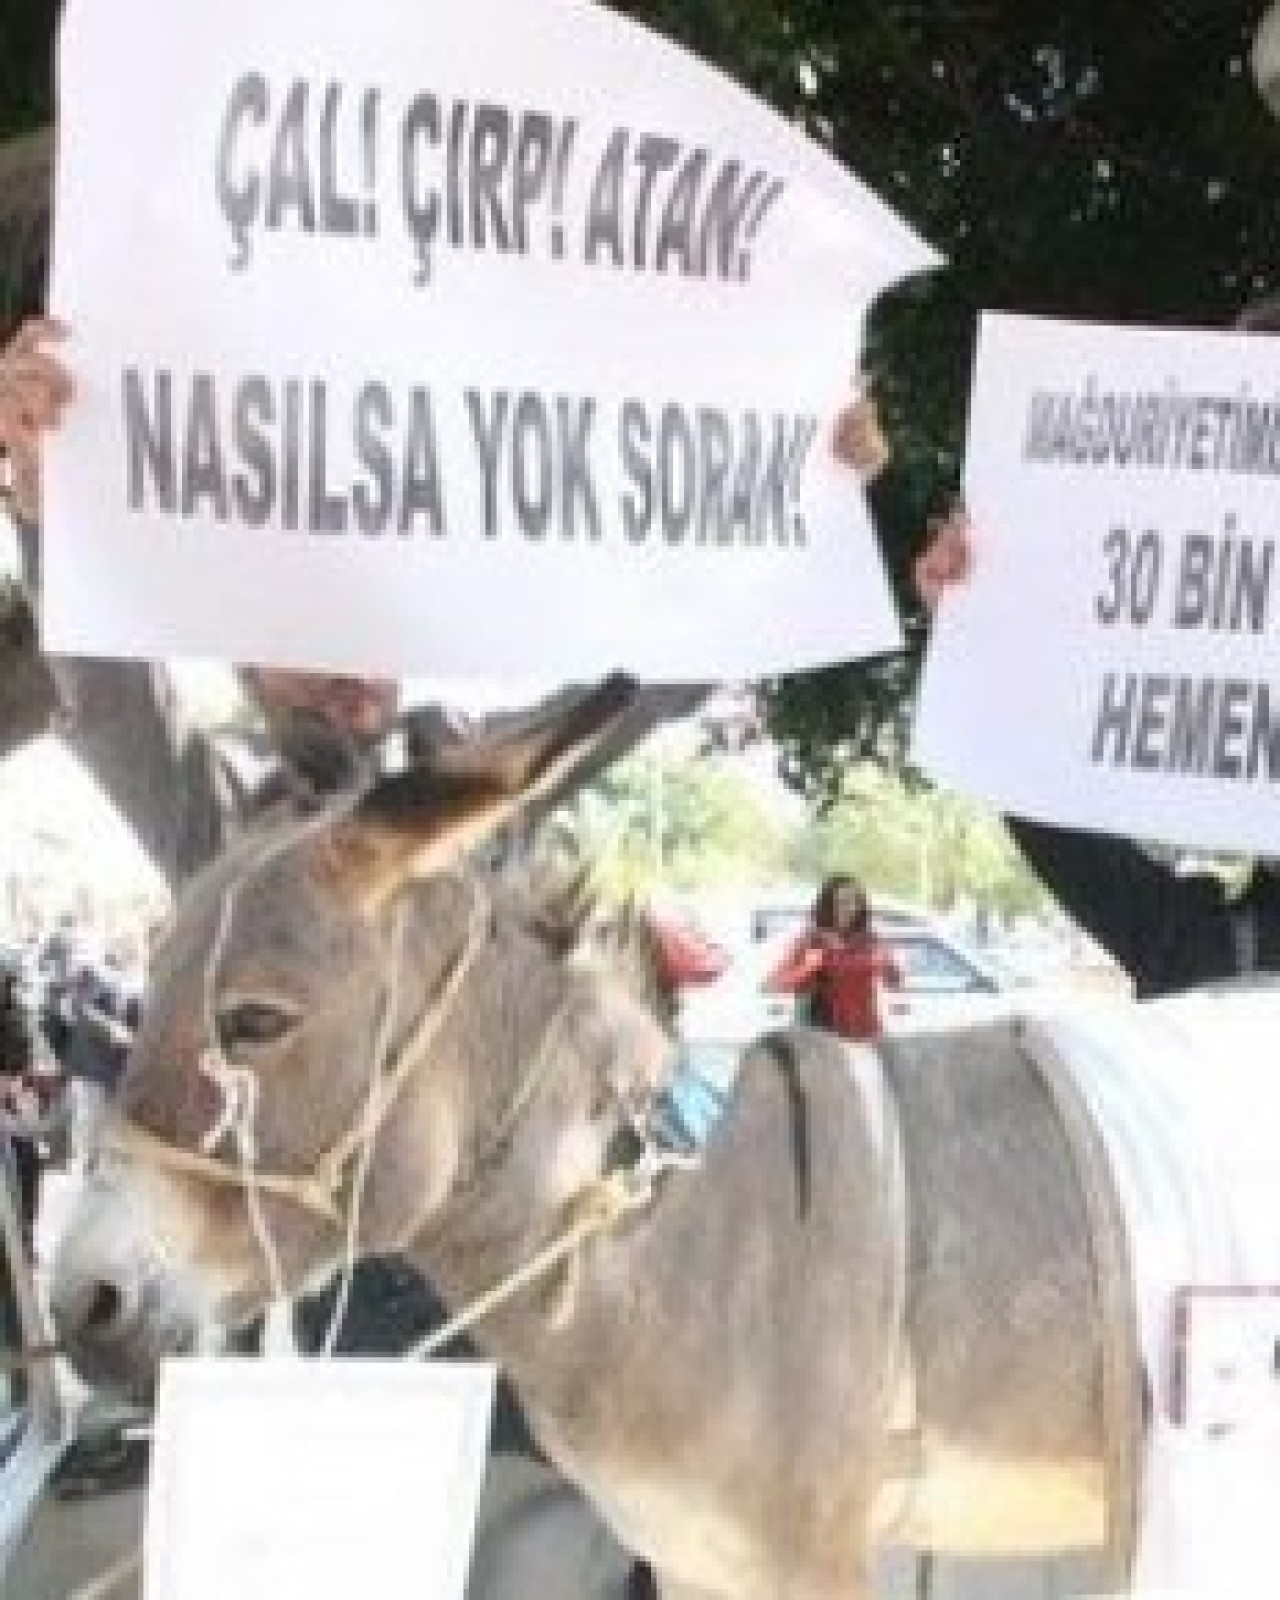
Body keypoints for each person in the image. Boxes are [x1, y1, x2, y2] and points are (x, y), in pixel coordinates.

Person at [763, 873, 902, 1042]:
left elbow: (895, 983)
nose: (851, 909)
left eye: (856, 902)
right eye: (843, 902)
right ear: (829, 906)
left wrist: (889, 964)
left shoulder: (870, 940)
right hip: (824, 1039)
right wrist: (807, 967)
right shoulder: (813, 940)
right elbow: (772, 984)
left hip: (867, 1036)